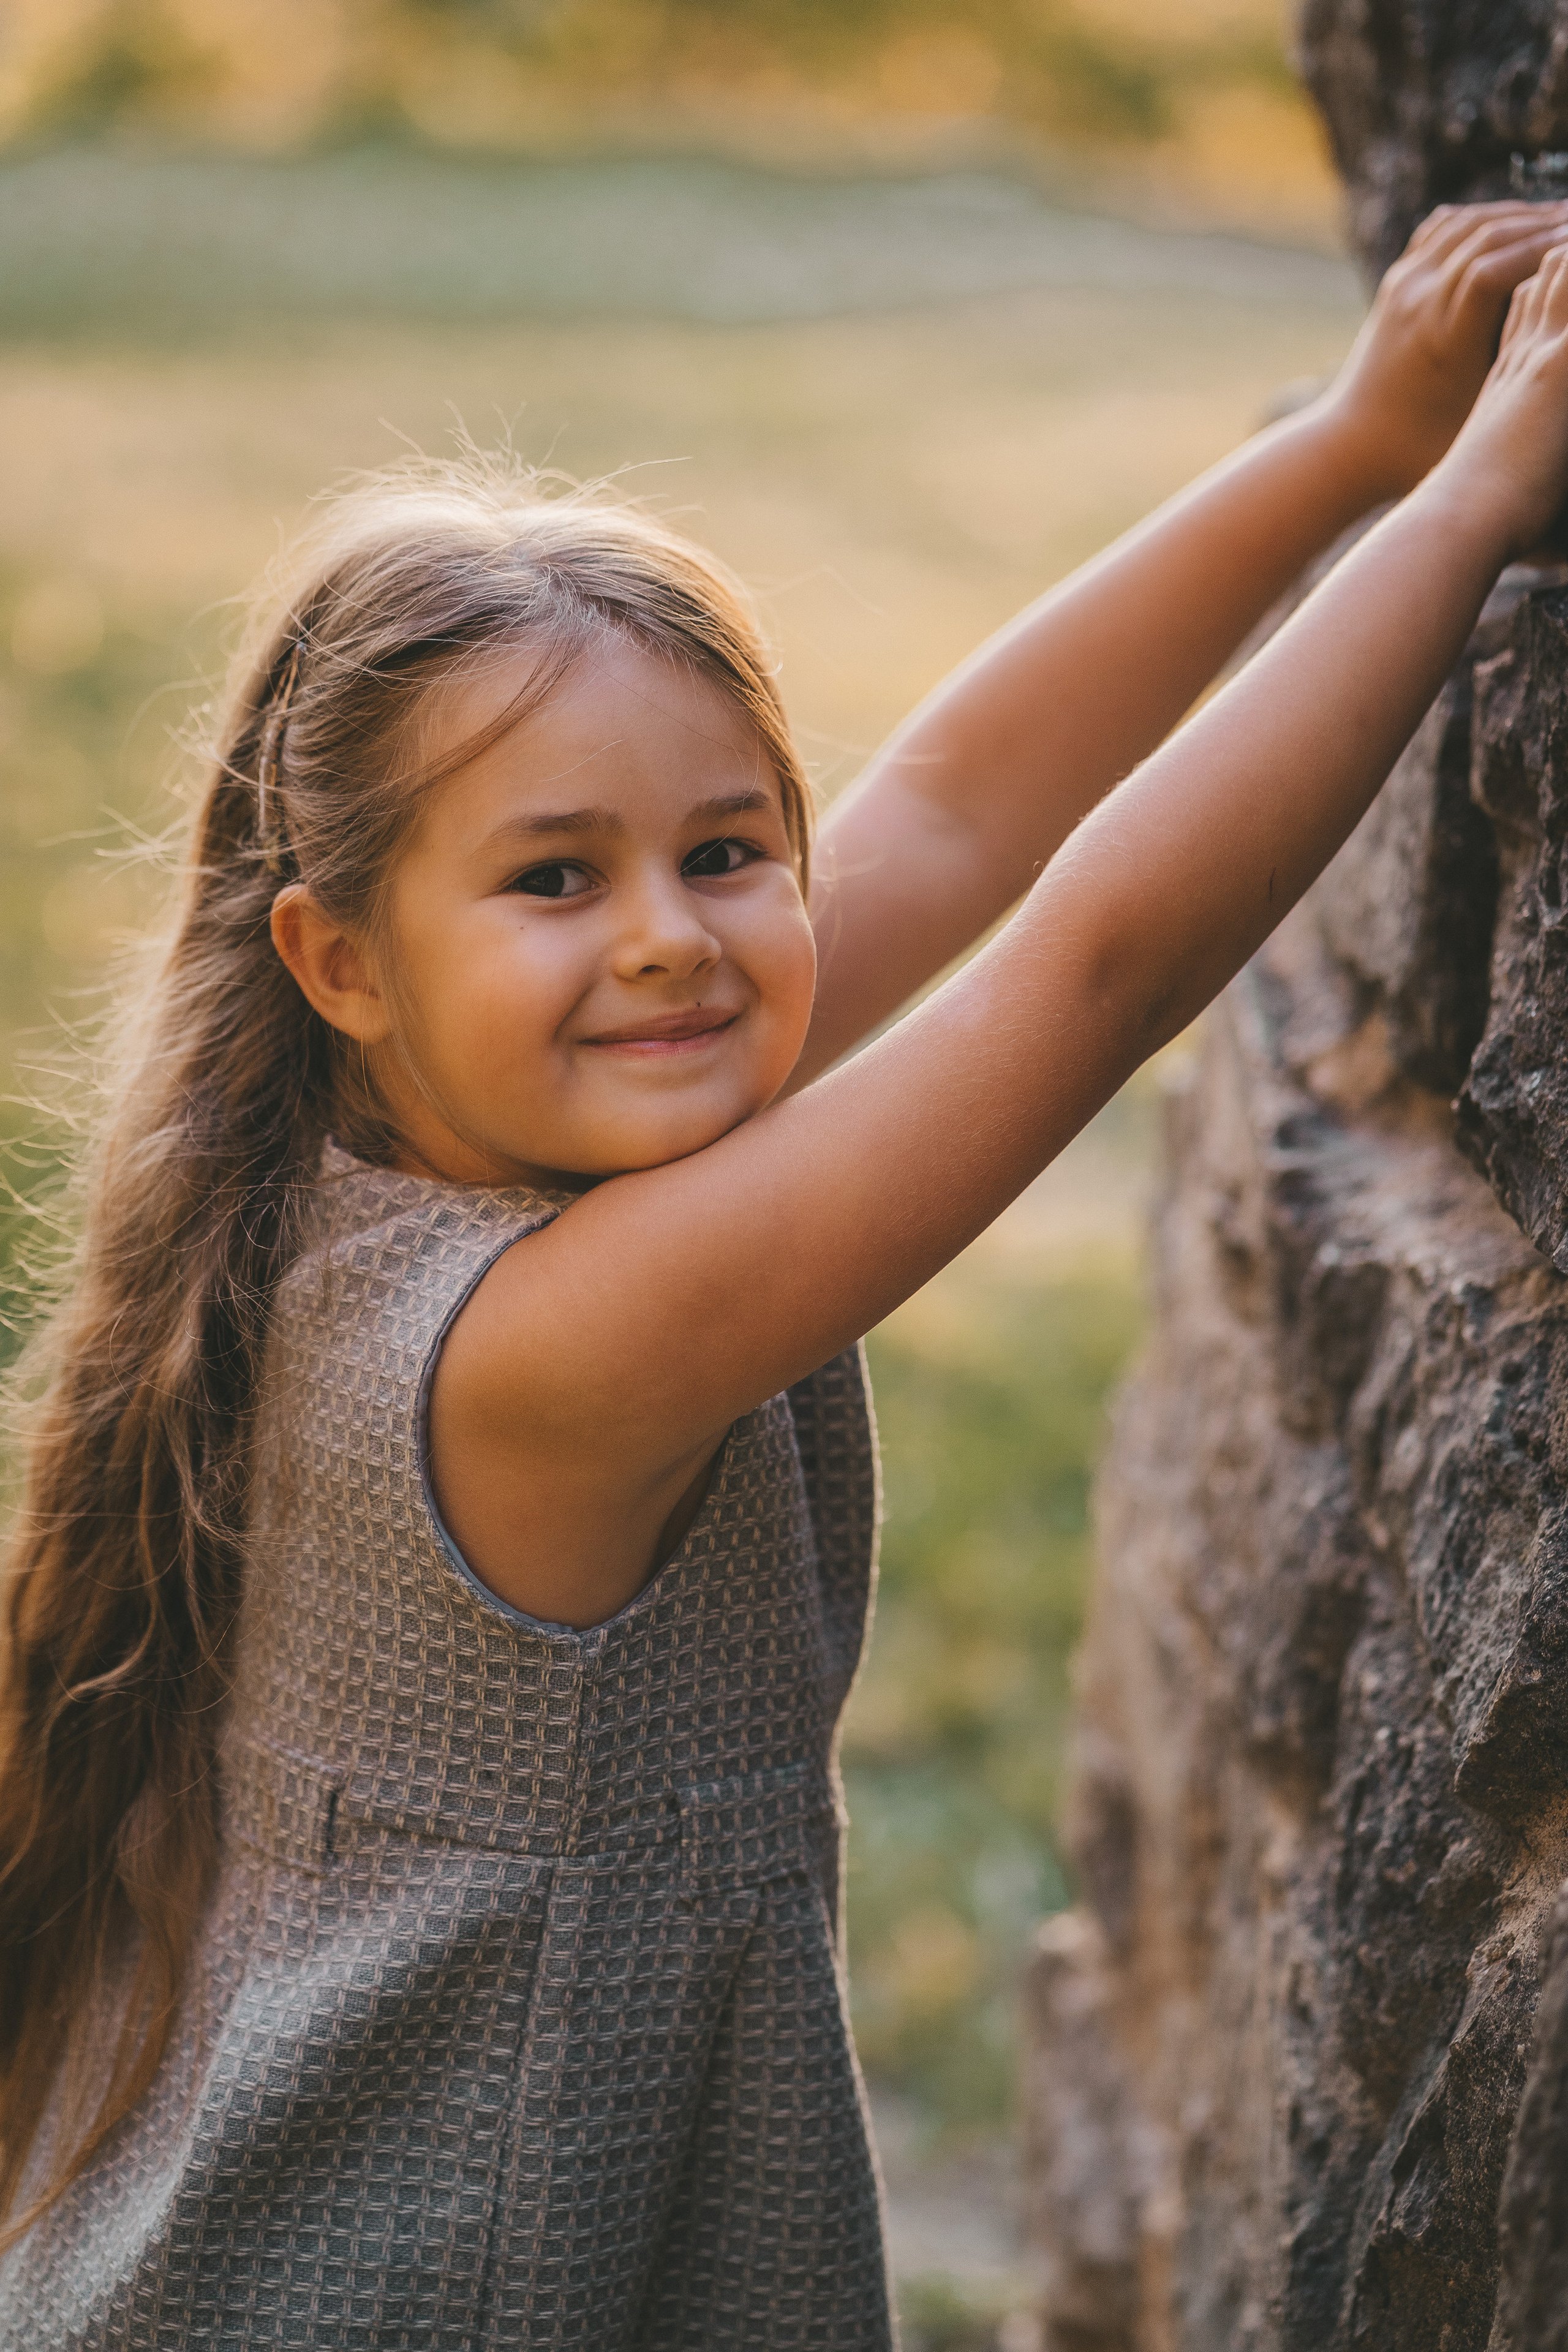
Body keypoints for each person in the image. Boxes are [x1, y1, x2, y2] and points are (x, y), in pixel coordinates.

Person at [2, 199, 1567, 2350]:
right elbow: (1092, 973)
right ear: (341, 959)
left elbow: (945, 806)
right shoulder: (538, 1350)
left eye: (727, 849)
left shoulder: (467, 1128)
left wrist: (1357, 444)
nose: (669, 932)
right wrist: (1483, 495)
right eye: (557, 874)